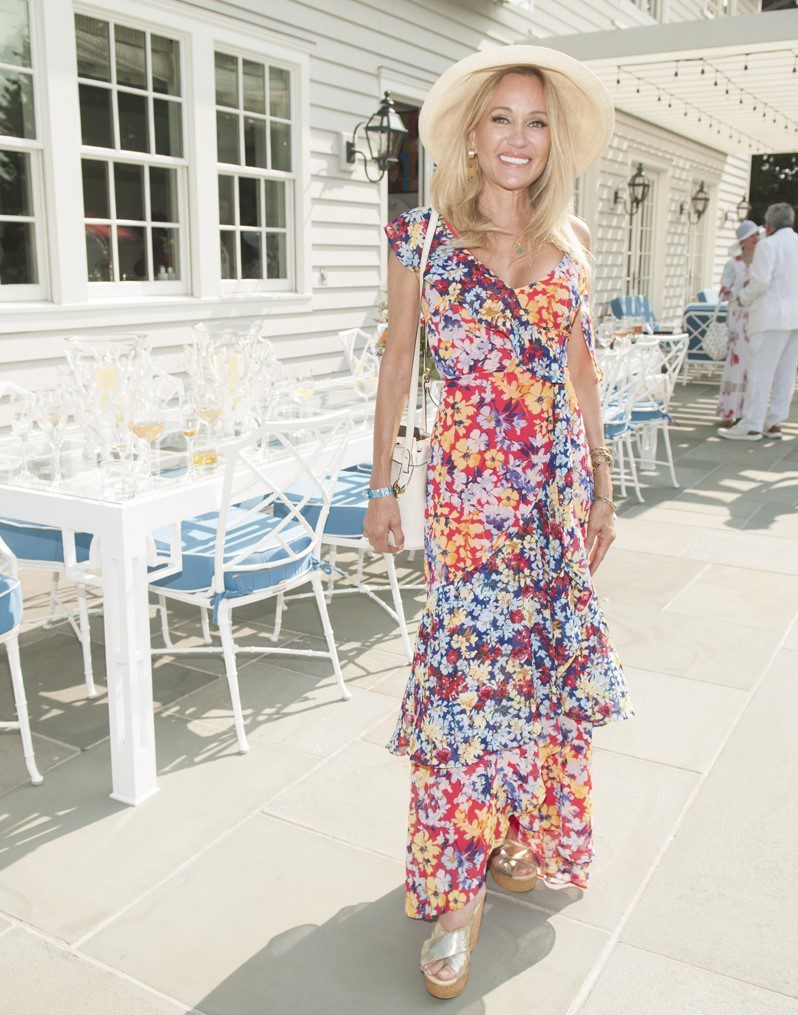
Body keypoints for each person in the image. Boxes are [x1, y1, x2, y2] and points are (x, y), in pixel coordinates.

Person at [364, 46, 633, 1000]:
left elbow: (583, 371)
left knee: (538, 676)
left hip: (551, 500)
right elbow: (399, 362)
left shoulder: (574, 240)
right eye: (502, 119)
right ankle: (456, 893)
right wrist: (381, 481)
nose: (518, 138)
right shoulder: (420, 239)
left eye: (536, 121)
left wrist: (603, 484)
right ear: (473, 135)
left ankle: (518, 831)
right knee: (474, 687)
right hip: (472, 496)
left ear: (551, 139)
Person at [719, 202, 798, 441]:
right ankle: (774, 423)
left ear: (770, 224)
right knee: (786, 373)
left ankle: (752, 425)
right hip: (795, 319)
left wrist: (743, 298)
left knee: (760, 373)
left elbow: (760, 281)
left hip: (769, 317)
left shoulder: (768, 246)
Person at [716, 220, 761, 426]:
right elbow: (723, 294)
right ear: (743, 241)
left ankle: (749, 413)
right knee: (737, 362)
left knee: (754, 365)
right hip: (737, 318)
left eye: (756, 235)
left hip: (757, 317)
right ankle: (731, 410)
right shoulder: (733, 264)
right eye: (752, 236)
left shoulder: (762, 262)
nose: (756, 239)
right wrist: (740, 286)